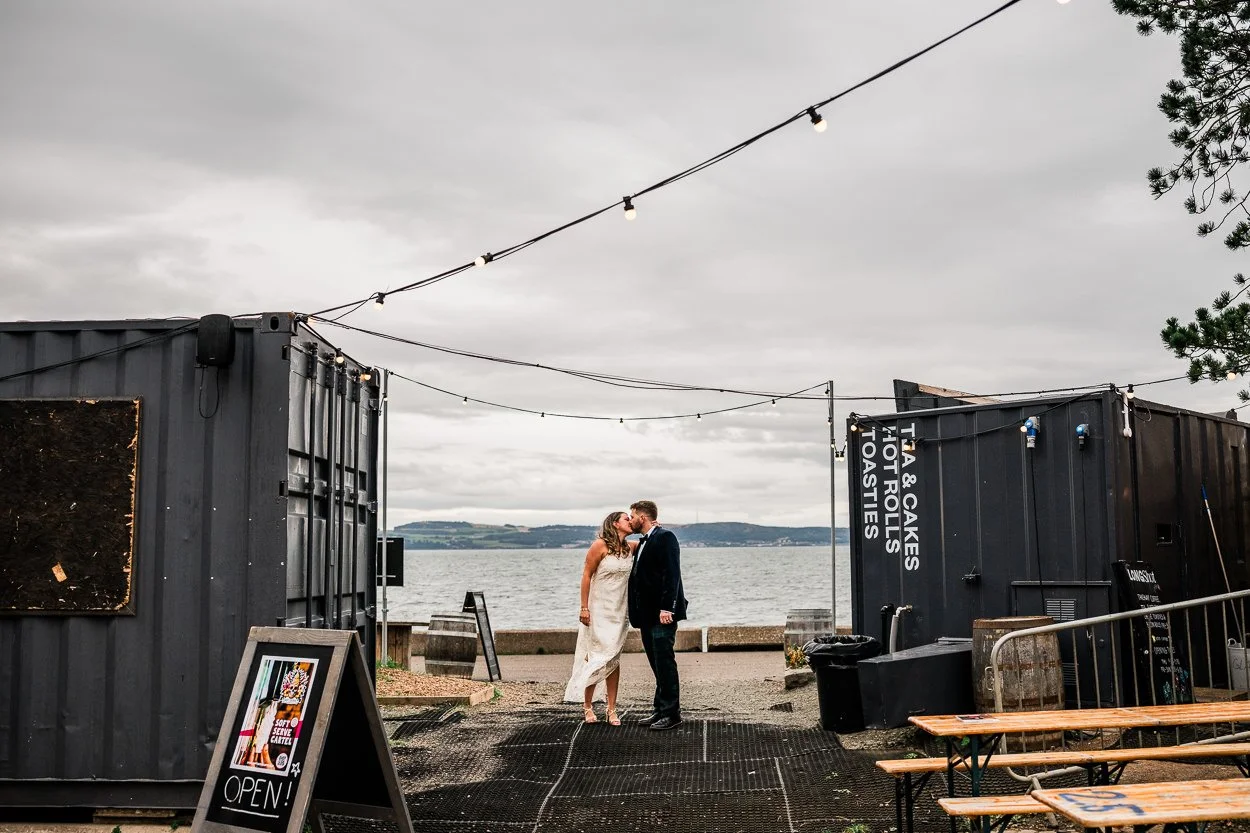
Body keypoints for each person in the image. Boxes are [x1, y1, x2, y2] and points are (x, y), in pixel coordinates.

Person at [564, 510, 636, 725]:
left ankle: (611, 708)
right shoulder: (600, 546)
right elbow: (586, 575)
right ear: (615, 523)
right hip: (598, 610)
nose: (630, 522)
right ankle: (587, 706)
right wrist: (583, 607)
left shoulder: (631, 548)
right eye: (626, 519)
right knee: (595, 657)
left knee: (613, 658)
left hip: (619, 611)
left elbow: (651, 540)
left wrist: (655, 526)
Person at [626, 500, 688, 731]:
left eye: (632, 515)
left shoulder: (665, 537)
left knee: (664, 662)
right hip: (646, 615)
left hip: (662, 614)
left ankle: (672, 714)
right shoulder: (645, 541)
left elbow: (672, 575)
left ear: (642, 517)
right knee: (655, 663)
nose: (630, 519)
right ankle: (660, 709)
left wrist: (667, 608)